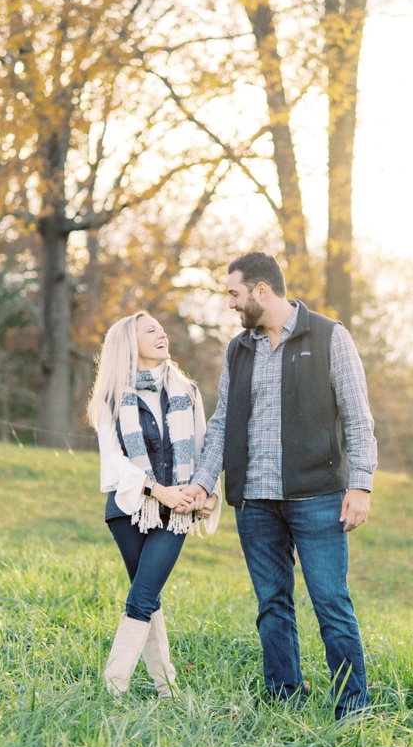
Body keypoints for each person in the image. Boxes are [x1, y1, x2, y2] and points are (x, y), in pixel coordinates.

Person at [176, 252, 377, 717]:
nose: (230, 304)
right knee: (272, 604)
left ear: (261, 291)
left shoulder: (329, 336)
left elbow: (357, 415)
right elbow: (224, 421)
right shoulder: (238, 348)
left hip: (318, 498)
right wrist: (205, 484)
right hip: (255, 503)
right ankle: (283, 699)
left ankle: (353, 707)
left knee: (331, 603)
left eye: (234, 293)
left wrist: (361, 484)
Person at [89, 311, 220, 698]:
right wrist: (156, 490)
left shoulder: (186, 391)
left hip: (175, 514)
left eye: (161, 329)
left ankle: (114, 688)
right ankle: (166, 690)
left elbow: (202, 449)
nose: (162, 334)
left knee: (143, 596)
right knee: (147, 596)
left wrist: (207, 492)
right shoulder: (109, 396)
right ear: (130, 344)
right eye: (151, 330)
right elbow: (113, 462)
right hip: (129, 509)